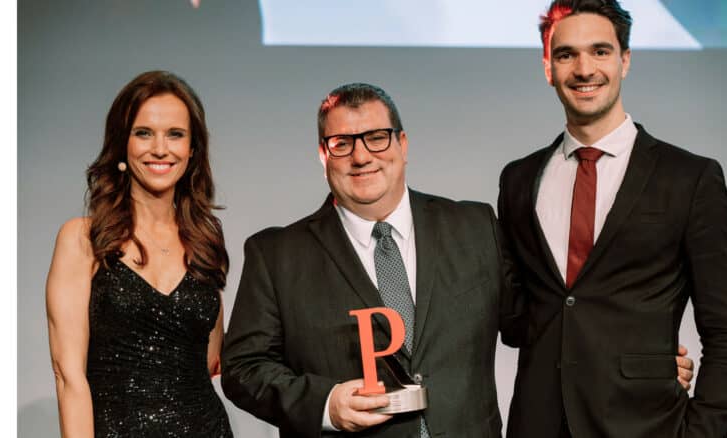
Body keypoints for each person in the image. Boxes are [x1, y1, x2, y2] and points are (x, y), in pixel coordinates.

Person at [498, 1, 727, 437]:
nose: (584, 69)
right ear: (548, 67)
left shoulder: (690, 178)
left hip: (647, 427)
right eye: (566, 55)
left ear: (625, 61)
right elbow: (519, 318)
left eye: (600, 51)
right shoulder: (519, 179)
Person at [220, 83, 524, 438]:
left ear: (403, 144)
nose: (361, 157)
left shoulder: (475, 227)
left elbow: (531, 325)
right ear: (323, 154)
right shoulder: (276, 255)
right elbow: (243, 369)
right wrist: (325, 404)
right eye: (342, 144)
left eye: (377, 137)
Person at [46, 70, 234, 437]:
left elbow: (213, 358)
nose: (160, 148)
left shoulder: (205, 239)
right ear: (121, 144)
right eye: (143, 133)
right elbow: (68, 377)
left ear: (192, 149)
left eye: (175, 134)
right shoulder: (84, 239)